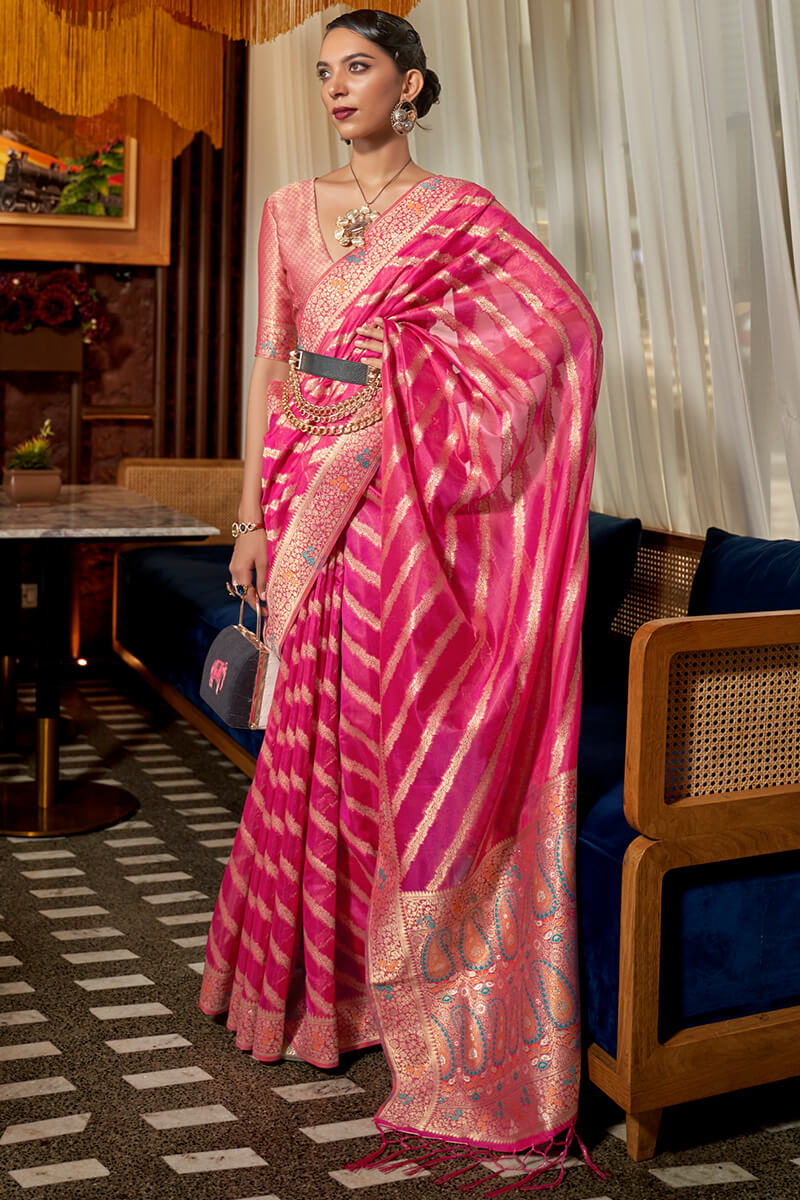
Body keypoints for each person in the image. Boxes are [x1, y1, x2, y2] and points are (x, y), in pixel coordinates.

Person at [200, 8, 603, 1189]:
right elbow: (271, 363)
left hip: (398, 498)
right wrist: (250, 516)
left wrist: (403, 393)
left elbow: (558, 335)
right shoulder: (288, 209)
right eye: (324, 71)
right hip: (301, 490)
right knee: (301, 736)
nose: (336, 86)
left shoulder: (459, 213)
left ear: (409, 85)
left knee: (376, 729)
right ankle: (307, 992)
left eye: (358, 67)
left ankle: (392, 997)